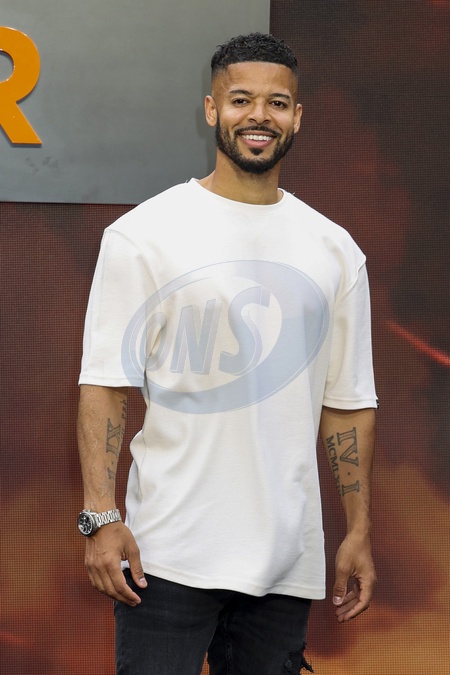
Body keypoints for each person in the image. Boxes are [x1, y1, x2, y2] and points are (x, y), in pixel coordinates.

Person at [77, 32, 377, 675]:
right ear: (212, 109)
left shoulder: (336, 250)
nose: (258, 116)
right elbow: (104, 384)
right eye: (241, 100)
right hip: (163, 557)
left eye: (277, 103)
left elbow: (348, 403)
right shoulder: (141, 236)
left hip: (286, 564)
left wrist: (358, 529)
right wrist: (100, 517)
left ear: (298, 116)